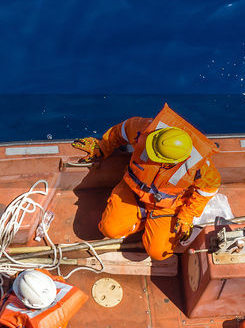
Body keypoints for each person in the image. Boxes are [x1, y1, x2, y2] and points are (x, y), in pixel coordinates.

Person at [72, 105, 221, 261]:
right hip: (133, 190)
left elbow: (209, 189)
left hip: (167, 206)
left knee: (159, 253)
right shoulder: (146, 129)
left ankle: (150, 225)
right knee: (110, 229)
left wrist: (187, 216)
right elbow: (121, 130)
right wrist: (102, 146)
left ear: (173, 162)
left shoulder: (200, 165)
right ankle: (143, 223)